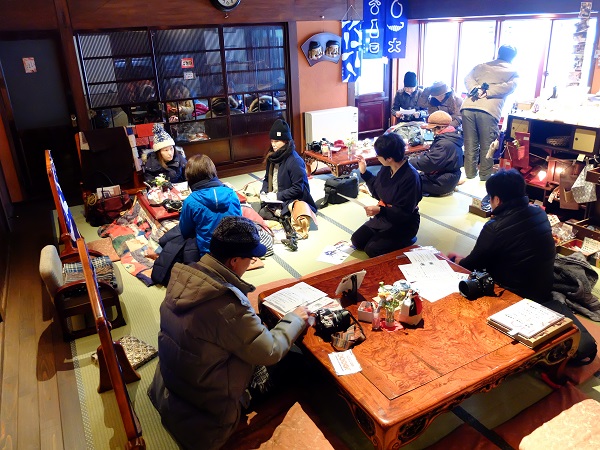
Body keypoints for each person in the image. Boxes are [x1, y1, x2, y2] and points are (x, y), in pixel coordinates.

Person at [148, 216, 310, 450]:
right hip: (209, 417)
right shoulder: (226, 303)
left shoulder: (185, 276)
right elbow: (270, 351)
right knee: (297, 359)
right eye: (250, 258)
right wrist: (295, 318)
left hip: (172, 389)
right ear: (234, 261)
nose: (252, 262)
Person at [448, 168, 596, 364]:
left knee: (460, 293)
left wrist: (456, 259)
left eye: (490, 198)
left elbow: (473, 263)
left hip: (514, 295)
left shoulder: (494, 227)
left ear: (497, 199)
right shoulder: (539, 213)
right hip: (543, 288)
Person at [351, 133, 422, 258]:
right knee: (357, 240)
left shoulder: (411, 177)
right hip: (385, 217)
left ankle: (408, 240)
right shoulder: (387, 168)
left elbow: (404, 212)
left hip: (403, 223)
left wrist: (380, 210)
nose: (377, 157)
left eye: (378, 155)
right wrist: (364, 172)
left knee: (372, 250)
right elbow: (377, 191)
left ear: (389, 158)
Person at [461, 45, 518, 181]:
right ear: (513, 57)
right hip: (488, 110)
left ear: (498, 53)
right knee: (488, 146)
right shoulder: (512, 72)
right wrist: (488, 92)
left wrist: (475, 89)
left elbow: (467, 78)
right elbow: (509, 87)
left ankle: (469, 175)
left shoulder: (481, 66)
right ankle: (485, 178)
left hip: (468, 107)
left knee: (470, 144)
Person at [260, 119, 317, 243]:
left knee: (263, 214)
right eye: (272, 141)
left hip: (290, 200)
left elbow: (298, 189)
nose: (273, 144)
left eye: (277, 141)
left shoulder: (294, 161)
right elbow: (266, 179)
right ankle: (278, 215)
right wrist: (263, 192)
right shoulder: (272, 157)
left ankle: (282, 217)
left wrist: (277, 196)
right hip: (274, 198)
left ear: (286, 141)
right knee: (254, 213)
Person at [178, 154, 241, 255]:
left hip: (209, 254)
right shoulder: (231, 193)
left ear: (189, 176)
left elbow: (185, 231)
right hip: (235, 250)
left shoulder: (190, 201)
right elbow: (240, 221)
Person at [409, 111, 464, 197]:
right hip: (449, 179)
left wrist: (408, 162)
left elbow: (430, 162)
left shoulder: (444, 143)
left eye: (433, 129)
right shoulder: (451, 137)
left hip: (441, 183)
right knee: (415, 175)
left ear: (441, 127)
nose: (433, 132)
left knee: (407, 181)